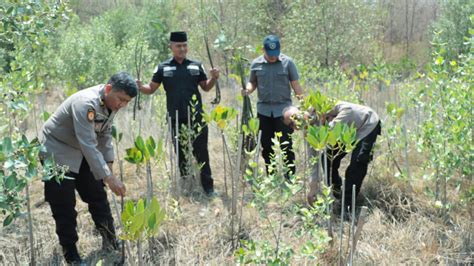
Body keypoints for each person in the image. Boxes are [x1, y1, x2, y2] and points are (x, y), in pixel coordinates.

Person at [40, 72, 137, 264]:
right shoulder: (86, 103)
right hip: (57, 148)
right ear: (109, 89)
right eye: (121, 99)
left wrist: (108, 170)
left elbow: (105, 135)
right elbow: (88, 143)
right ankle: (72, 254)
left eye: (127, 102)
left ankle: (110, 240)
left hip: (81, 149)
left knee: (96, 193)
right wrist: (109, 177)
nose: (122, 105)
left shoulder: (110, 102)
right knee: (64, 203)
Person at [137, 31, 219, 195]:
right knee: (181, 153)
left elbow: (206, 87)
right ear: (171, 47)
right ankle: (187, 186)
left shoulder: (196, 65)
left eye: (184, 45)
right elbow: (151, 89)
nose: (182, 49)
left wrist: (214, 78)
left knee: (202, 152)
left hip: (197, 117)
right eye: (178, 46)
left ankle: (208, 188)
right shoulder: (163, 67)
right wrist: (140, 86)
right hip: (175, 118)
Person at [283, 101, 381, 208]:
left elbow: (348, 109)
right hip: (345, 133)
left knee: (358, 162)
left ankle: (347, 206)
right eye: (291, 124)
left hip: (366, 123)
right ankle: (337, 192)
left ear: (302, 111)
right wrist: (312, 189)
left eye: (295, 118)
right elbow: (313, 161)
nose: (296, 123)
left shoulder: (319, 107)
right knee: (327, 159)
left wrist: (329, 129)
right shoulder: (308, 131)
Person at [242, 35, 303, 178]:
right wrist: (247, 89)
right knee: (266, 145)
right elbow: (252, 82)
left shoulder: (288, 63)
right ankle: (271, 175)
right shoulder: (256, 64)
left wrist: (304, 106)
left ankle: (290, 177)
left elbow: (296, 86)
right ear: (263, 49)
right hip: (263, 112)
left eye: (275, 55)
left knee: (286, 145)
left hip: (284, 112)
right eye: (270, 55)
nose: (273, 58)